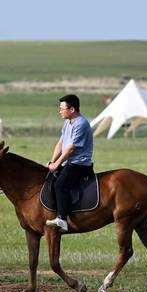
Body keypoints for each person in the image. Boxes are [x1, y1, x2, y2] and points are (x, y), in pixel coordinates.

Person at [45, 94, 94, 232]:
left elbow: (71, 148)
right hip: (70, 162)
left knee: (60, 185)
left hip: (79, 164)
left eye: (62, 108)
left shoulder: (81, 123)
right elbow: (61, 144)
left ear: (72, 109)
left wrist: (57, 164)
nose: (59, 111)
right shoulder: (68, 122)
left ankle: (62, 219)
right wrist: (52, 162)